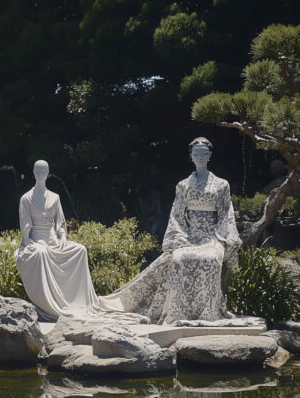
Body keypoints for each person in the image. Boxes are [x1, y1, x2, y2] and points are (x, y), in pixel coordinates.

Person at [99, 138, 249, 325]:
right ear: (191, 156)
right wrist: (180, 237)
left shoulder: (221, 184)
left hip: (212, 237)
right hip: (189, 237)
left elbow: (226, 213)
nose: (200, 157)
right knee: (179, 258)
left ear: (210, 155)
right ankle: (178, 311)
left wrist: (222, 238)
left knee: (210, 259)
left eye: (204, 153)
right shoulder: (183, 185)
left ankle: (208, 312)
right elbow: (177, 215)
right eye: (196, 153)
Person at [15, 160, 101, 320]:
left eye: (43, 171)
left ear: (48, 173)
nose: (40, 174)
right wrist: (28, 241)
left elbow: (60, 223)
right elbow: (25, 227)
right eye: (37, 171)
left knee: (80, 250)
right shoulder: (26, 198)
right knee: (41, 254)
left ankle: (76, 300)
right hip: (37, 240)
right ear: (33, 173)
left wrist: (62, 236)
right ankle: (48, 303)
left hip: (53, 240)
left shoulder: (54, 197)